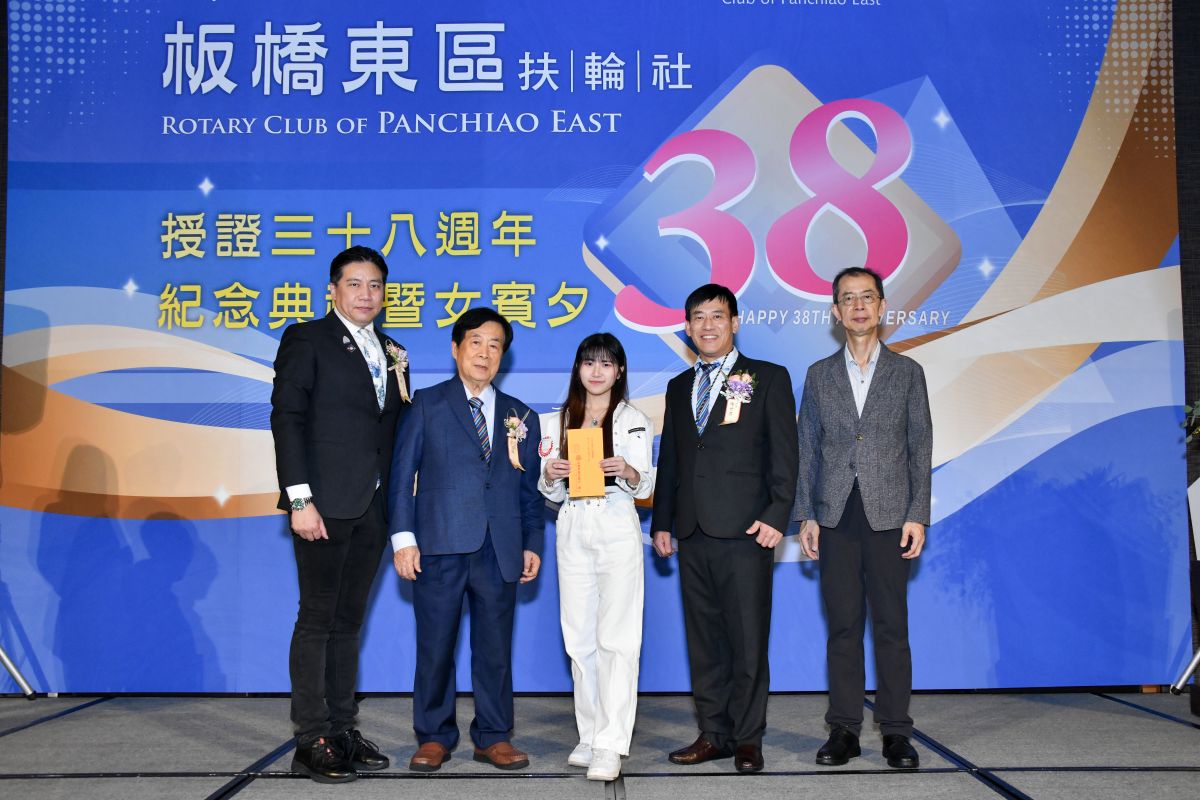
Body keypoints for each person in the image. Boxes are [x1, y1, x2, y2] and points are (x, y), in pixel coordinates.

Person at [270, 245, 410, 783]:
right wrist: (299, 499)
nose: (366, 294)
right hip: (323, 504)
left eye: (375, 285)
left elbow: (392, 430)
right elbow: (287, 419)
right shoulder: (307, 338)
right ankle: (311, 738)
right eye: (354, 284)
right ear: (332, 290)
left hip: (374, 505)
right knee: (317, 619)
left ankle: (342, 729)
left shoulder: (393, 350)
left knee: (350, 621)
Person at [387, 307, 544, 773]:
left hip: (500, 549)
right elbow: (401, 477)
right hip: (438, 545)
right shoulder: (426, 404)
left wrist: (532, 542)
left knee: (495, 650)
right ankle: (434, 736)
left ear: (503, 356)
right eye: (476, 342)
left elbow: (529, 490)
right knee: (435, 646)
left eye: (495, 345)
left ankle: (494, 736)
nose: (485, 353)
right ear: (456, 348)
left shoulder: (522, 415)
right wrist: (403, 539)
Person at [651, 284, 798, 774]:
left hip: (746, 530)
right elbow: (673, 458)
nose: (707, 325)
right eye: (698, 317)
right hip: (692, 530)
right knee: (705, 642)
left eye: (717, 315)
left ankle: (748, 738)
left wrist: (777, 514)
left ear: (735, 322)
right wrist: (663, 521)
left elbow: (785, 454)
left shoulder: (767, 377)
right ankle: (714, 733)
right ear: (687, 327)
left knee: (747, 640)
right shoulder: (678, 386)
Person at [794, 266, 932, 770]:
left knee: (892, 627)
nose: (858, 306)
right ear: (836, 311)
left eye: (867, 297)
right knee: (843, 628)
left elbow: (920, 447)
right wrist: (806, 514)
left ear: (881, 307)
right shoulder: (818, 374)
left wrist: (917, 514)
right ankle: (844, 730)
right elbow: (807, 448)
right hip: (834, 515)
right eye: (848, 299)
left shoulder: (907, 372)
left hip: (890, 515)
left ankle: (896, 732)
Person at [538, 333, 654, 782]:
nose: (597, 371)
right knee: (579, 638)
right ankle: (589, 735)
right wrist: (551, 474)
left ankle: (610, 743)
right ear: (578, 368)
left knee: (617, 638)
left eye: (607, 363)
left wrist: (626, 470)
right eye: (589, 362)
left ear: (620, 370)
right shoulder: (557, 420)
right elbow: (548, 492)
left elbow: (645, 485)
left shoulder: (634, 419)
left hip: (616, 522)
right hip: (572, 523)